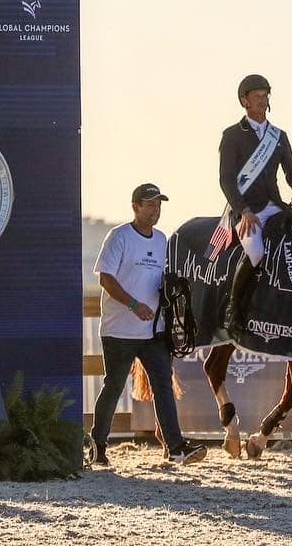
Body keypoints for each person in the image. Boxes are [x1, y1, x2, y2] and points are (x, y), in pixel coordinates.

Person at [89, 183, 206, 467]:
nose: (155, 210)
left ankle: (175, 446)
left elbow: (162, 280)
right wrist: (132, 304)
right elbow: (105, 279)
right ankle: (98, 444)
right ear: (135, 207)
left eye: (158, 205)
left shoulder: (161, 240)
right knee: (114, 385)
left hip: (154, 331)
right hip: (119, 331)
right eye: (150, 204)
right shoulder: (119, 237)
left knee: (163, 385)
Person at [219, 74, 292, 337]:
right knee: (256, 253)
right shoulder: (233, 135)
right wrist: (243, 210)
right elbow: (226, 179)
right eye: (258, 96)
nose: (263, 99)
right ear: (244, 101)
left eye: (266, 95)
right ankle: (234, 311)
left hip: (274, 206)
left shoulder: (278, 136)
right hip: (246, 210)